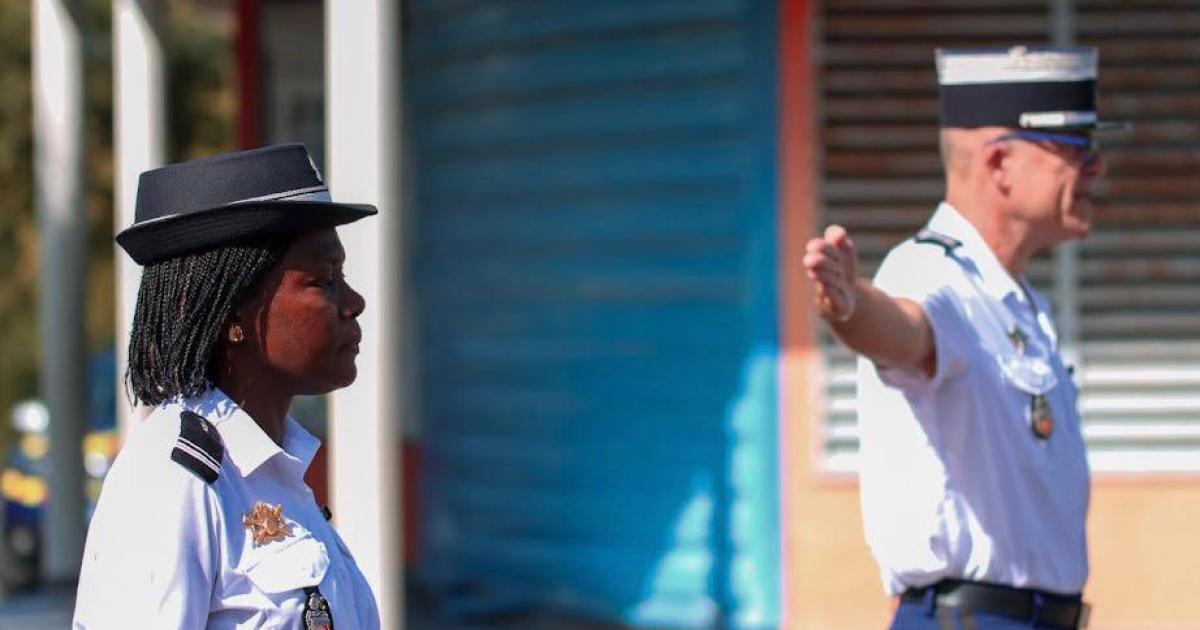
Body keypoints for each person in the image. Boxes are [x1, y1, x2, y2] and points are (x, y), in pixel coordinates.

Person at [804, 47, 1122, 629]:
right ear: (1000, 163)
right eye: (1079, 150)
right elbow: (903, 330)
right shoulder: (930, 272)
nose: (1097, 169)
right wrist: (851, 312)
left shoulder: (1018, 301)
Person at [73, 144, 381, 629]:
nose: (355, 302)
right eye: (324, 281)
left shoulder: (270, 468)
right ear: (233, 313)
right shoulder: (175, 480)